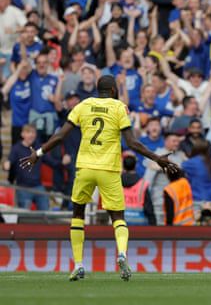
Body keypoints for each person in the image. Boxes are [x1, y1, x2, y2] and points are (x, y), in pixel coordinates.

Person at [19, 75, 180, 282]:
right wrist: (157, 158)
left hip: (85, 168)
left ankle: (78, 265)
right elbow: (132, 143)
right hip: (109, 170)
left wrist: (38, 154)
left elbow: (60, 136)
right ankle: (121, 253)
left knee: (78, 214)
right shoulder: (118, 107)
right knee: (118, 216)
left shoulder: (83, 105)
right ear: (113, 91)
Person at [121, 154, 156, 226]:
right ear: (135, 166)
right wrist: (153, 224)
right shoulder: (142, 184)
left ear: (123, 166)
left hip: (120, 221)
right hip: (139, 224)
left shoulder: (115, 183)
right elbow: (148, 207)